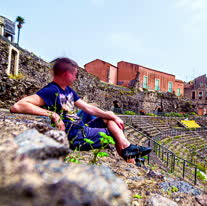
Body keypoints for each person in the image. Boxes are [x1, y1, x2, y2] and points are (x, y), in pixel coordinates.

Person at [10, 57, 151, 163]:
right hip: (76, 136)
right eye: (75, 74)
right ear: (66, 74)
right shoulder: (51, 90)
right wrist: (52, 114)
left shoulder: (69, 91)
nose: (76, 78)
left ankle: (128, 151)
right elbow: (18, 106)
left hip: (82, 129)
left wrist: (112, 116)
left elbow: (88, 108)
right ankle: (130, 157)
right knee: (115, 133)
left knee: (110, 117)